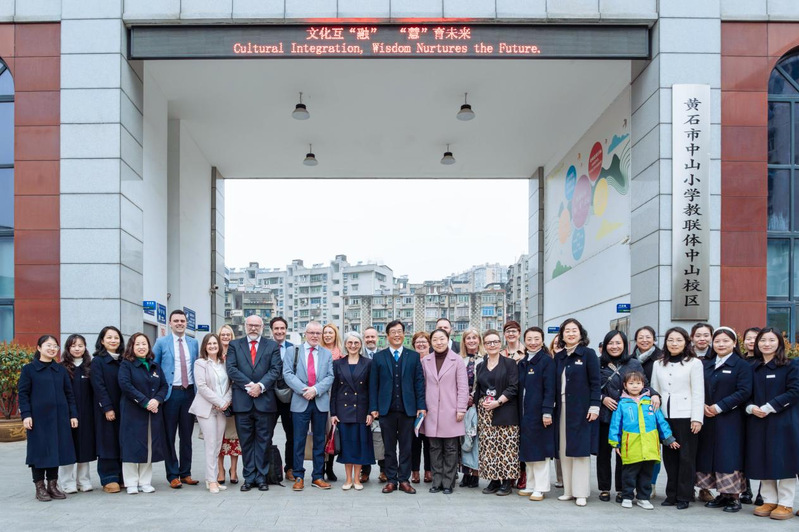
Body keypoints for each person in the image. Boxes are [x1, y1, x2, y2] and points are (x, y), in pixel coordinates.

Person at [695, 326, 752, 513]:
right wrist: (703, 405)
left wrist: (719, 407)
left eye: (726, 341)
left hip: (730, 418)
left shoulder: (742, 365)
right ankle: (721, 494)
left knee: (729, 455)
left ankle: (734, 496)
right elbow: (698, 387)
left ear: (734, 343)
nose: (721, 344)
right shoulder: (706, 364)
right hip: (708, 417)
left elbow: (744, 391)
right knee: (712, 455)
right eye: (717, 341)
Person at [745, 328, 799, 520]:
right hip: (757, 421)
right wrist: (750, 407)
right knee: (763, 459)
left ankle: (785, 503)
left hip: (783, 421)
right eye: (762, 340)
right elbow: (744, 392)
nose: (766, 344)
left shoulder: (791, 365)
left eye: (771, 340)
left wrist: (769, 407)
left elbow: (795, 391)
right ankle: (769, 500)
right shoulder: (752, 367)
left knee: (785, 461)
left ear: (780, 343)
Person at [226, 314, 283, 491]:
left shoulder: (271, 346)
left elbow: (275, 369)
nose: (253, 328)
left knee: (263, 441)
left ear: (262, 327)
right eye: (250, 325)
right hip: (243, 402)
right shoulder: (235, 345)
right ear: (245, 326)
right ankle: (249, 478)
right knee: (246, 442)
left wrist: (260, 386)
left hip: (265, 402)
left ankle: (261, 478)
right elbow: (231, 369)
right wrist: (250, 386)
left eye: (256, 325)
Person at [369, 320, 426, 494]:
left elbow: (419, 383)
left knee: (406, 447)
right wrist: (374, 407)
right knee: (389, 447)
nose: (396, 335)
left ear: (404, 334)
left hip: (408, 409)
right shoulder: (379, 357)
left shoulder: (413, 356)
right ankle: (391, 480)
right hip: (386, 410)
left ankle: (404, 480)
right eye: (393, 332)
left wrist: (421, 405)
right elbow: (373, 384)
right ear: (387, 336)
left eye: (399, 331)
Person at [18, 335, 78, 501]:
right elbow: (23, 394)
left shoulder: (60, 370)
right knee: (39, 452)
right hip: (38, 419)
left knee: (56, 451)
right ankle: (40, 487)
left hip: (59, 418)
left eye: (55, 346)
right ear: (39, 348)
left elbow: (69, 394)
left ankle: (52, 485)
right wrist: (26, 415)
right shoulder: (29, 369)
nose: (52, 349)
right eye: (48, 345)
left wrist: (73, 414)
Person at [608, 371, 679, 510]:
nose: (635, 386)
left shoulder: (650, 402)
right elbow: (615, 424)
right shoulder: (622, 403)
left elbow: (661, 422)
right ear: (625, 385)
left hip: (650, 444)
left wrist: (669, 438)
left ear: (643, 385)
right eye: (631, 383)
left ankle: (643, 497)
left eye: (638, 383)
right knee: (629, 473)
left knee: (647, 473)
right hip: (631, 445)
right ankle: (627, 496)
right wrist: (615, 442)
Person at [651, 327, 704, 509]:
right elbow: (654, 389)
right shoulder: (658, 364)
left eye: (679, 340)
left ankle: (684, 496)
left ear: (686, 342)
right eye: (670, 340)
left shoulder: (694, 363)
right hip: (665, 415)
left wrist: (697, 418)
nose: (674, 343)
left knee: (686, 457)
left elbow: (698, 392)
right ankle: (671, 494)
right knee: (669, 457)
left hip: (686, 415)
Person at [597, 330, 649, 503]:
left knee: (624, 454)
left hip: (628, 417)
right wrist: (602, 398)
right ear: (605, 345)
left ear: (625, 345)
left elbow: (645, 386)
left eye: (618, 343)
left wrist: (655, 395)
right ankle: (604, 488)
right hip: (605, 415)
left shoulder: (634, 363)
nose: (614, 346)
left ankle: (622, 489)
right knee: (604, 454)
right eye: (611, 343)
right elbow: (590, 386)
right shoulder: (598, 363)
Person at [554, 318, 600, 507]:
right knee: (564, 449)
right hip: (562, 408)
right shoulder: (559, 357)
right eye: (567, 331)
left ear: (580, 333)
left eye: (574, 330)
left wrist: (595, 405)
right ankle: (568, 490)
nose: (571, 334)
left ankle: (581, 492)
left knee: (580, 451)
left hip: (582, 409)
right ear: (562, 335)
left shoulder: (588, 354)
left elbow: (596, 383)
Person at [283, 321, 335, 491]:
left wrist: (315, 390)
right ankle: (298, 476)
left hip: (319, 402)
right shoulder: (293, 351)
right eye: (311, 333)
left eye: (318, 333)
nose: (315, 336)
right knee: (298, 440)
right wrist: (304, 390)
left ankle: (318, 476)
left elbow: (330, 376)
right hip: (300, 401)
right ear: (305, 334)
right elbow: (287, 374)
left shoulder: (326, 354)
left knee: (319, 440)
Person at [153, 310, 200, 488]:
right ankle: (172, 474)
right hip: (170, 394)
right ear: (170, 323)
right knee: (169, 436)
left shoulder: (193, 343)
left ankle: (186, 472)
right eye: (176, 321)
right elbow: (154, 366)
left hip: (189, 394)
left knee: (187, 436)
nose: (180, 323)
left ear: (186, 323)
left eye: (182, 321)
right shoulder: (161, 342)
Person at [118, 333, 168, 494]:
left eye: (144, 344)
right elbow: (125, 385)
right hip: (133, 411)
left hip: (152, 412)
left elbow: (164, 386)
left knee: (149, 446)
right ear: (131, 347)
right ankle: (131, 482)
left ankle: (145, 481)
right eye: (137, 344)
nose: (141, 347)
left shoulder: (155, 365)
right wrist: (145, 401)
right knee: (131, 447)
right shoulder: (126, 365)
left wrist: (157, 400)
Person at [421, 329, 468, 494]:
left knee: (450, 448)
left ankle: (448, 482)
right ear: (431, 342)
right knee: (434, 448)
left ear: (448, 340)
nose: (439, 342)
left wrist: (461, 409)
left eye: (442, 339)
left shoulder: (457, 360)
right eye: (435, 339)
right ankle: (437, 481)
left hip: (451, 410)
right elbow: (422, 386)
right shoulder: (425, 360)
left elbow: (463, 387)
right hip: (431, 411)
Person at [474, 329, 519, 496]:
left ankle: (506, 482)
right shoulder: (480, 365)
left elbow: (513, 387)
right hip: (486, 412)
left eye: (495, 341)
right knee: (489, 447)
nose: (492, 345)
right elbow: (479, 388)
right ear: (484, 345)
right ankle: (493, 480)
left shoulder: (510, 363)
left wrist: (498, 402)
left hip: (504, 408)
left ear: (500, 343)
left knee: (506, 446)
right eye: (488, 342)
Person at [330, 331, 374, 490]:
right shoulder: (337, 364)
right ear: (345, 344)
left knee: (360, 446)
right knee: (347, 447)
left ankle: (357, 479)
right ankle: (348, 479)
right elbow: (334, 391)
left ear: (361, 345)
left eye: (356, 343)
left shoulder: (368, 363)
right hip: (343, 411)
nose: (353, 346)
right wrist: (333, 413)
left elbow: (371, 389)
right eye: (350, 343)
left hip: (361, 410)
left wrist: (371, 411)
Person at [189, 333, 232, 494]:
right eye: (209, 344)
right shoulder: (200, 363)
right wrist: (219, 402)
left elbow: (231, 385)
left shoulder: (224, 363)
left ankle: (211, 478)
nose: (213, 346)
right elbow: (202, 387)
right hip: (206, 409)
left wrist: (226, 401)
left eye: (215, 343)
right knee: (211, 444)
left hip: (222, 409)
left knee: (218, 444)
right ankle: (212, 480)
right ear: (205, 347)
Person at [517, 326, 556, 501]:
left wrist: (547, 412)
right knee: (528, 450)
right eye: (529, 339)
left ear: (542, 340)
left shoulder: (547, 361)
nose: (533, 343)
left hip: (540, 413)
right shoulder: (523, 362)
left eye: (536, 339)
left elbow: (550, 389)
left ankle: (541, 487)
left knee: (540, 451)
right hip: (525, 413)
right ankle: (531, 485)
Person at [58, 334, 96, 494]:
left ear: (85, 347)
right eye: (73, 346)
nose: (77, 349)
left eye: (80, 345)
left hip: (87, 414)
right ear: (68, 348)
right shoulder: (61, 368)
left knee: (84, 447)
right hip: (66, 414)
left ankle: (83, 480)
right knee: (67, 447)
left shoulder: (90, 367)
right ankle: (67, 482)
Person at [90, 326, 125, 493]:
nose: (113, 340)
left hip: (124, 408)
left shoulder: (124, 360)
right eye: (109, 337)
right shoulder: (98, 361)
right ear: (102, 341)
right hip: (107, 409)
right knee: (108, 442)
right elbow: (99, 386)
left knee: (122, 441)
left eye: (116, 337)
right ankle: (109, 478)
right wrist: (107, 408)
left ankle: (122, 476)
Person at [631, 325, 663, 497]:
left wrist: (655, 394)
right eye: (640, 337)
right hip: (634, 408)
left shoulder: (662, 357)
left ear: (654, 339)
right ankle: (636, 483)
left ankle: (651, 483)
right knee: (636, 447)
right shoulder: (630, 359)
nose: (644, 340)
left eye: (648, 337)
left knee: (653, 448)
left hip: (654, 407)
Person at [270, 317, 295, 481]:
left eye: (282, 328)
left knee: (291, 434)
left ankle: (289, 468)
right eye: (276, 328)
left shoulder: (294, 348)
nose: (279, 331)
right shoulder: (266, 347)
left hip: (289, 397)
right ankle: (269, 468)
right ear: (272, 330)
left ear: (286, 329)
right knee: (266, 434)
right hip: (269, 397)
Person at [740, 326, 762, 506]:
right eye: (748, 338)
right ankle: (745, 490)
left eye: (756, 338)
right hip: (742, 411)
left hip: (761, 410)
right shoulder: (740, 361)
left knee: (762, 452)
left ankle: (763, 493)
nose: (751, 341)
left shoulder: (766, 361)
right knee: (743, 452)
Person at [216, 324, 241, 485]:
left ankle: (233, 470)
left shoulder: (236, 353)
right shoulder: (213, 354)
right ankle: (220, 470)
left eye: (228, 335)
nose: (225, 337)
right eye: (223, 335)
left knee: (233, 437)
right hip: (216, 402)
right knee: (217, 438)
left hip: (233, 400)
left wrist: (229, 398)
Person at [459, 327, 483, 488]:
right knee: (463, 438)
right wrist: (463, 398)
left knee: (475, 439)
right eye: (468, 338)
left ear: (479, 340)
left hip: (477, 404)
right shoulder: (459, 359)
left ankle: (475, 473)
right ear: (464, 341)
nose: (472, 341)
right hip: (461, 405)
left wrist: (473, 397)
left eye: (474, 338)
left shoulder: (485, 359)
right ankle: (465, 473)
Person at [359, 326, 381, 484]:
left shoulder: (383, 355)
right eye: (367, 337)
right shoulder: (358, 356)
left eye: (373, 337)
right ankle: (364, 471)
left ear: (377, 338)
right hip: (362, 401)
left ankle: (384, 470)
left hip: (381, 402)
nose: (370, 340)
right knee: (364, 438)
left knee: (382, 437)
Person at [410, 331, 432, 484]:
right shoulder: (411, 360)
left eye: (424, 341)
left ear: (429, 344)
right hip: (413, 406)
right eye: (418, 342)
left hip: (431, 405)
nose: (421, 344)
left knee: (429, 441)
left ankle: (429, 471)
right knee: (415, 440)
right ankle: (415, 471)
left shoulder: (433, 360)